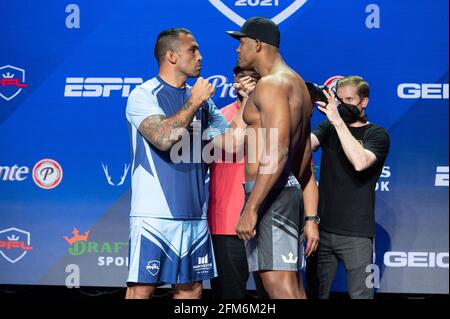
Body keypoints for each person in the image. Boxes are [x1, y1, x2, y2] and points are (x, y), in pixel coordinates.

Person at [124, 28, 229, 299]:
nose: (200, 56)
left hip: (194, 214)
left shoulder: (202, 102)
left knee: (191, 291)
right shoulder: (143, 95)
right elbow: (163, 138)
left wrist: (251, 101)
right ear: (171, 56)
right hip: (154, 215)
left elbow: (230, 142)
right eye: (192, 50)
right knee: (141, 290)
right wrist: (194, 101)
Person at [227, 17, 320, 299]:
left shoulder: (271, 84)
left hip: (270, 194)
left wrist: (252, 207)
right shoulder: (297, 83)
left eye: (241, 43)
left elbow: (279, 150)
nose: (237, 49)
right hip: (282, 190)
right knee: (290, 286)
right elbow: (302, 153)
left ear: (257, 44)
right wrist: (298, 195)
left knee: (279, 288)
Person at [311, 75, 390, 299]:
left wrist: (337, 121)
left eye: (349, 99)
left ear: (363, 102)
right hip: (321, 230)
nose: (342, 105)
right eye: (339, 99)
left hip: (357, 234)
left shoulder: (377, 134)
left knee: (361, 295)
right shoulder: (328, 127)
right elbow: (306, 146)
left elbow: (360, 162)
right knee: (316, 293)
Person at [207, 65, 261, 299]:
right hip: (226, 220)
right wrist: (248, 103)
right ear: (234, 81)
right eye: (241, 76)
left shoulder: (276, 114)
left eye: (254, 77)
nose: (247, 80)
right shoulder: (218, 116)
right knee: (229, 295)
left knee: (273, 292)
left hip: (265, 217)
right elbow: (232, 144)